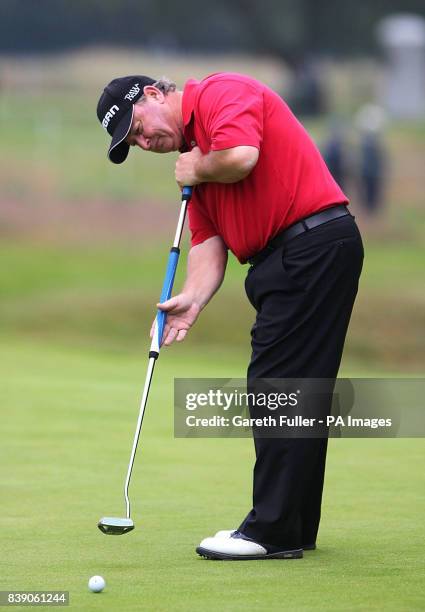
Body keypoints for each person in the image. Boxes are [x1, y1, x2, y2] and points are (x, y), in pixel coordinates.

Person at [96, 73, 364, 560]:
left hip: (311, 245)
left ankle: (272, 530)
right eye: (133, 142)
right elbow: (208, 241)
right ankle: (294, 524)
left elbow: (241, 158)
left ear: (154, 95)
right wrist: (192, 299)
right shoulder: (198, 163)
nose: (144, 142)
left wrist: (198, 167)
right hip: (290, 259)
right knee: (299, 389)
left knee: (277, 384)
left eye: (138, 128)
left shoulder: (221, 95)